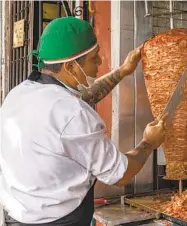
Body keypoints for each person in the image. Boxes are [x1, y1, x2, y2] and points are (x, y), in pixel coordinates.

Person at [0, 17, 167, 225]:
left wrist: (123, 71)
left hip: (17, 216)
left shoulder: (20, 94)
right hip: (58, 220)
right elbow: (121, 174)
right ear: (70, 66)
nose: (100, 63)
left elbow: (81, 99)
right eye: (94, 58)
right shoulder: (71, 113)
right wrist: (149, 143)